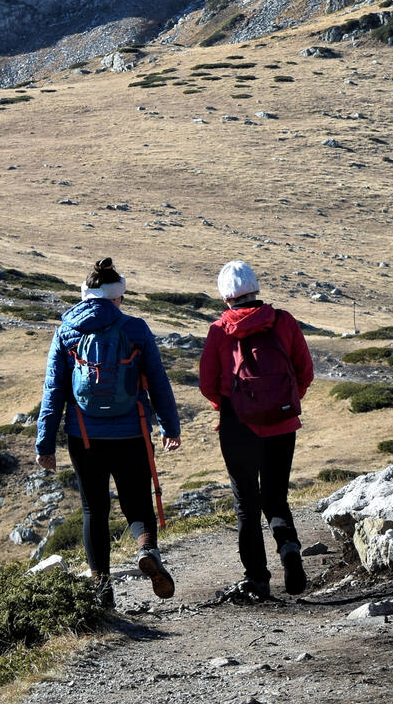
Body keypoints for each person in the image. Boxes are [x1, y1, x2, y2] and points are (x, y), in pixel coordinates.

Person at [35, 257, 182, 608]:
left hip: (84, 436)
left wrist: (45, 443)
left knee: (94, 511)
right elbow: (159, 383)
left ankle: (103, 594)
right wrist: (170, 427)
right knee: (137, 501)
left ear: (85, 295)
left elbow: (54, 391)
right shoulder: (136, 329)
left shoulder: (66, 331)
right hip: (131, 432)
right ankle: (146, 549)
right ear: (117, 297)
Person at [199, 259, 314, 600]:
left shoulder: (219, 330)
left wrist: (235, 408)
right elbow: (304, 371)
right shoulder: (284, 321)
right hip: (282, 423)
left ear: (226, 298)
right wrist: (281, 403)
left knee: (246, 506)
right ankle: (290, 550)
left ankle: (258, 580)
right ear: (255, 289)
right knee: (276, 497)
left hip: (239, 427)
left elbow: (207, 383)